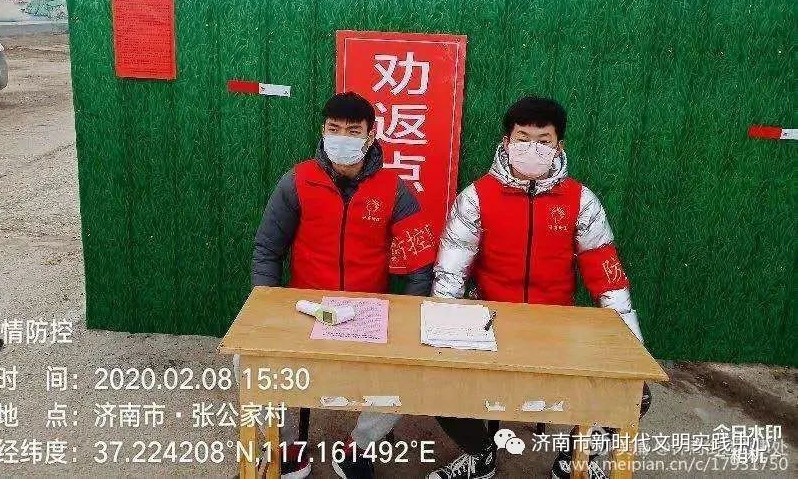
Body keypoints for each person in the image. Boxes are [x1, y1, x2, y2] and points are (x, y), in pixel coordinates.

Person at [427, 96, 650, 479]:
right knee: (431, 382)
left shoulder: (581, 202)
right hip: (490, 327)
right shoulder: (476, 197)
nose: (532, 148)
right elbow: (450, 276)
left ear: (558, 146)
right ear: (506, 141)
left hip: (557, 330)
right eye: (523, 138)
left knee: (636, 394)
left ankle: (574, 460)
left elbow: (609, 281)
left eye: (543, 141)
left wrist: (633, 354)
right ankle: (481, 455)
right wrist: (440, 339)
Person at [249, 91, 436, 479]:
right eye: (334, 129)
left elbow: (420, 265)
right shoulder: (297, 181)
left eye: (353, 130)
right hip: (307, 309)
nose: (342, 138)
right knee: (248, 363)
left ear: (371, 136)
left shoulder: (394, 189)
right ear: (323, 130)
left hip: (367, 313)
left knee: (407, 371)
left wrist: (409, 318)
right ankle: (286, 445)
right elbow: (267, 249)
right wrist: (266, 308)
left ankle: (360, 445)